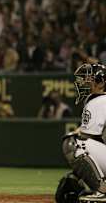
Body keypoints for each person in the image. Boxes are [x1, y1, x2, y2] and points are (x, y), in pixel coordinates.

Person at [55, 63, 106, 203]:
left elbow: (90, 136)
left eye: (89, 79)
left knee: (73, 144)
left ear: (101, 82)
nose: (85, 82)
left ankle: (102, 191)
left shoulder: (100, 101)